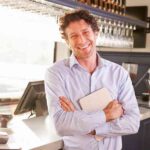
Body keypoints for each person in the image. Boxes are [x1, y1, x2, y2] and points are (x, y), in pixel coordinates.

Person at [44, 9, 140, 150]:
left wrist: (88, 127)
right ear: (67, 41)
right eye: (74, 36)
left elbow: (132, 123)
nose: (81, 40)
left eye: (85, 32)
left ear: (95, 33)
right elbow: (61, 126)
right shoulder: (55, 73)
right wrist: (108, 114)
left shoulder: (119, 73)